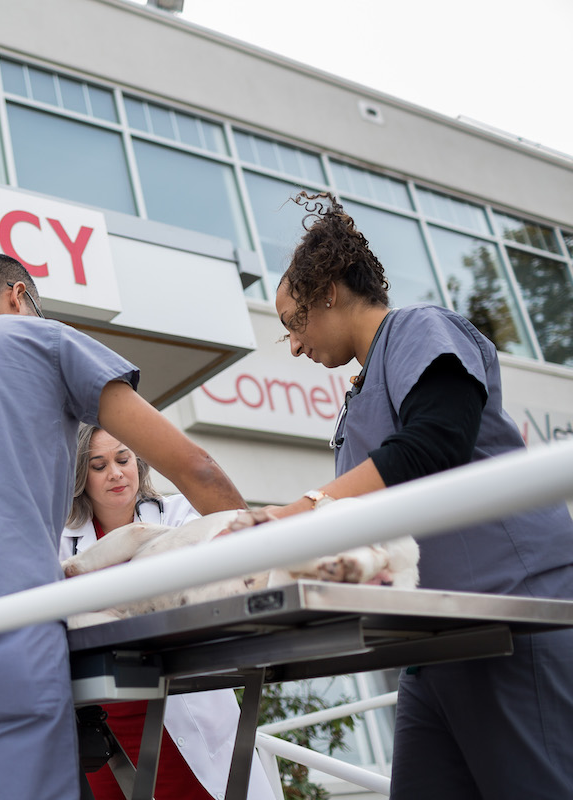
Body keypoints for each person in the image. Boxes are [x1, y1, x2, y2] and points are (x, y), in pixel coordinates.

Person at [0, 253, 246, 800]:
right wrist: (269, 546)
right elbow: (193, 465)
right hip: (2, 601)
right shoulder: (43, 339)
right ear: (18, 297)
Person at [232, 191, 573, 799]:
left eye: (294, 322)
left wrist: (297, 512)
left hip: (514, 615)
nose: (294, 344)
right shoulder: (360, 397)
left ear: (330, 291)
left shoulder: (420, 328)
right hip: (433, 641)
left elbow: (435, 440)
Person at [62, 424, 276, 800]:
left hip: (179, 704)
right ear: (81, 477)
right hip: (106, 719)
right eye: (98, 465)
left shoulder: (181, 516)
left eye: (123, 459)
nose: (115, 472)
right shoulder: (62, 541)